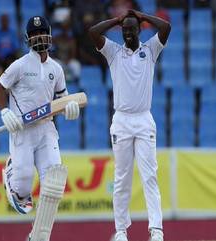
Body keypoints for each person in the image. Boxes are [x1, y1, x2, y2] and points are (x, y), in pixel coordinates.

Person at [0, 16, 80, 241]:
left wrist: (69, 108)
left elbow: (63, 98)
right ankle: (11, 171)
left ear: (49, 36)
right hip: (22, 129)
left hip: (46, 128)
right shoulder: (20, 65)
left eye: (42, 33)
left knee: (54, 181)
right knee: (22, 190)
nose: (38, 37)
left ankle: (38, 235)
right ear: (27, 39)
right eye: (34, 35)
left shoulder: (56, 68)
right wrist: (5, 111)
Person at [89, 9, 171, 241]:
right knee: (122, 177)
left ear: (139, 30)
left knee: (149, 176)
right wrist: (117, 20)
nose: (127, 33)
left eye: (131, 29)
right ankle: (121, 231)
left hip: (144, 119)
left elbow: (166, 28)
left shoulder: (151, 49)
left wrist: (143, 17)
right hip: (122, 120)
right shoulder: (114, 52)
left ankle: (156, 230)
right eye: (124, 29)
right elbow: (93, 32)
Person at [0, 14, 20, 79]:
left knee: (11, 64)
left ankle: (11, 85)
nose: (4, 22)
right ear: (0, 22)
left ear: (8, 22)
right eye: (3, 21)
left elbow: (16, 49)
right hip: (0, 59)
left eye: (6, 21)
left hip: (10, 58)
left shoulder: (12, 33)